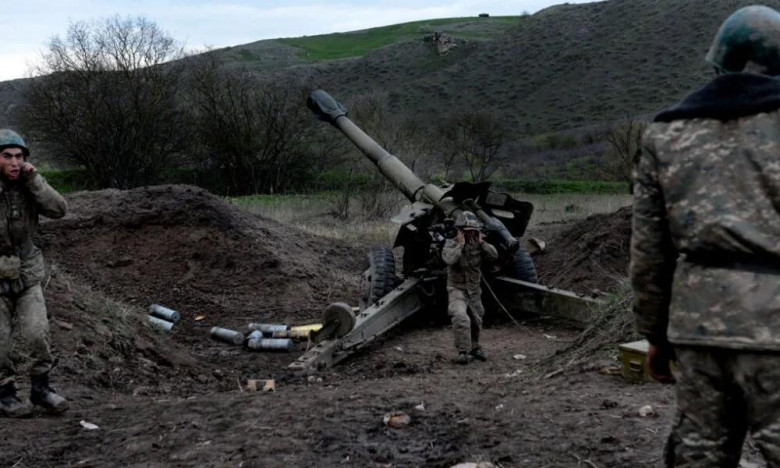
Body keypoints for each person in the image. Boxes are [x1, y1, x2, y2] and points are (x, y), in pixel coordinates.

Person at [631, 5, 780, 466]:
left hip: (697, 328)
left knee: (699, 455)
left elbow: (649, 253)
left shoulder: (665, 134)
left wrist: (655, 335)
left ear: (718, 60)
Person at [0, 129, 68, 417]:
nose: (14, 162)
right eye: (7, 156)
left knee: (37, 333)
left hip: (28, 272)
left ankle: (41, 390)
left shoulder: (30, 184)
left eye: (19, 156)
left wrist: (35, 180)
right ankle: (4, 394)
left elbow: (59, 209)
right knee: (1, 340)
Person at [442, 211, 497, 364]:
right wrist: (460, 244)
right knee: (460, 317)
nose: (470, 234)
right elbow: (449, 259)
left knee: (477, 319)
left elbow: (494, 255)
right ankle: (463, 352)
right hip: (457, 289)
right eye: (466, 231)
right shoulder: (451, 243)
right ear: (459, 231)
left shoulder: (478, 244)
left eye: (473, 231)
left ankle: (475, 348)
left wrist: (482, 243)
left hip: (474, 289)